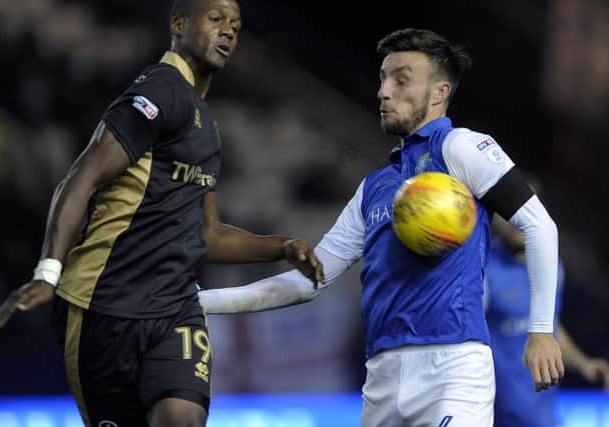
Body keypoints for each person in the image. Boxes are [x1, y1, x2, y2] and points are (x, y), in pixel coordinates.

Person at [196, 28, 565, 426]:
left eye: (401, 80)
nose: (383, 92)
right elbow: (308, 281)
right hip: (381, 378)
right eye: (383, 79)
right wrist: (201, 303)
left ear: (439, 93)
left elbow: (539, 225)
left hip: (452, 369)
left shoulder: (461, 149)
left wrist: (541, 331)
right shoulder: (373, 189)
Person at [0, 1, 324, 426]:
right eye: (216, 19)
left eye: (236, 26)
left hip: (174, 307)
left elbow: (207, 235)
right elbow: (80, 179)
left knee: (181, 418)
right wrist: (48, 272)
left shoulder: (206, 122)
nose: (229, 32)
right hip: (102, 308)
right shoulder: (158, 92)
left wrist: (283, 246)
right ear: (179, 25)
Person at [486, 213, 609, 427]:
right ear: (497, 218)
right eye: (509, 213)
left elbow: (550, 328)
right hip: (497, 414)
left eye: (525, 214)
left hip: (543, 414)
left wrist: (583, 363)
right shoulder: (483, 269)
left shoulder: (552, 267)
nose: (517, 222)